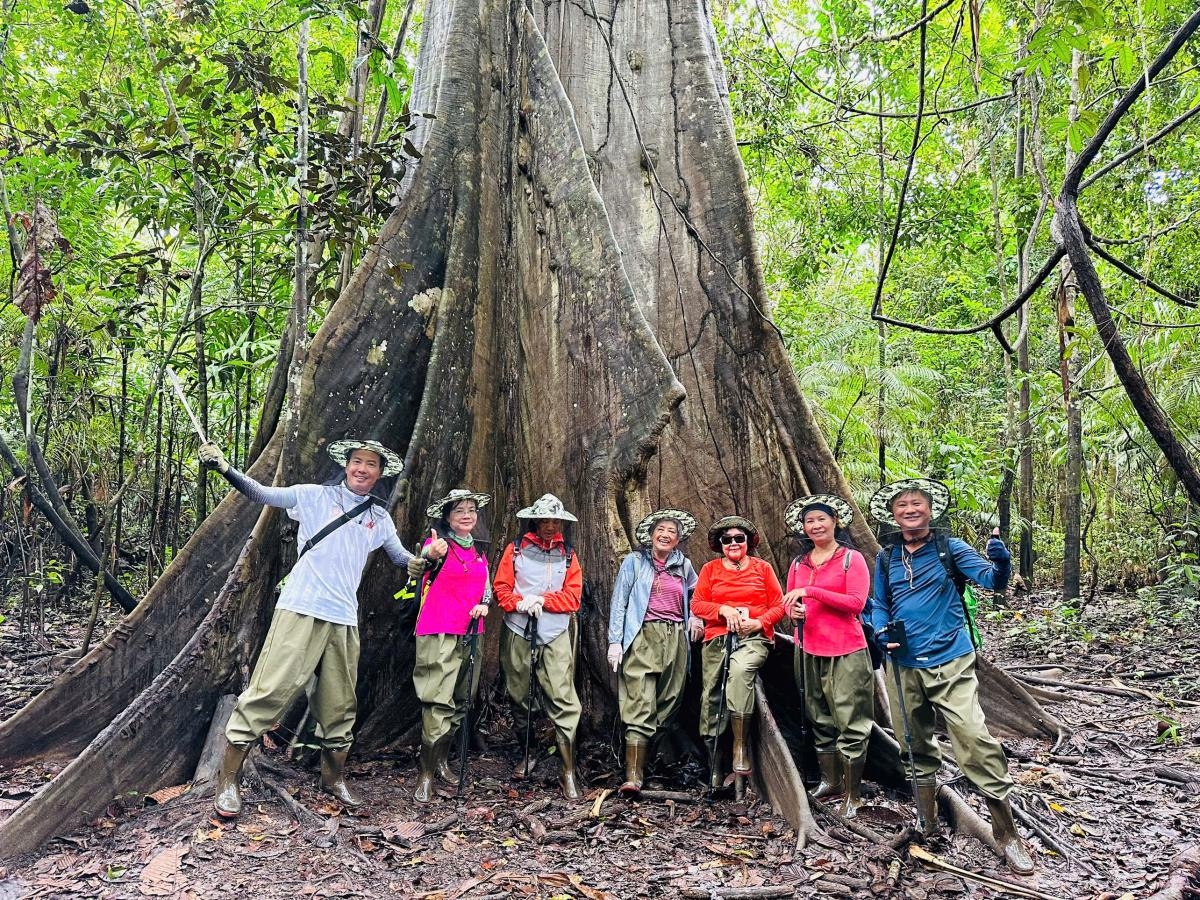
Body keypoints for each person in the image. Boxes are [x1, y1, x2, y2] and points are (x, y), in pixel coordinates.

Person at [198, 438, 439, 818]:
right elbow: (262, 494)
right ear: (346, 465)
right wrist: (225, 469)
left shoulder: (379, 515)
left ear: (380, 473)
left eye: (371, 464)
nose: (362, 469)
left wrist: (423, 561)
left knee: (340, 701)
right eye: (356, 461)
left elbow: (401, 558)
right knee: (270, 690)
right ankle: (228, 780)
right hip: (301, 608)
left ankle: (333, 778)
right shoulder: (313, 496)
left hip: (343, 617)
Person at [867, 477, 1034, 874]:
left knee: (974, 741)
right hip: (903, 665)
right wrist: (881, 628)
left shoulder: (950, 548)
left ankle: (1007, 835)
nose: (909, 510)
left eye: (917, 504)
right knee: (913, 742)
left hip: (951, 659)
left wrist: (1002, 560)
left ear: (930, 510)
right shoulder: (887, 557)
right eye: (902, 505)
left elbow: (993, 581)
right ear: (893, 515)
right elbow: (878, 604)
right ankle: (926, 821)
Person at [782, 494, 873, 818]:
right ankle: (830, 781)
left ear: (835, 522)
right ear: (803, 528)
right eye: (810, 521)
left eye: (822, 519)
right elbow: (789, 605)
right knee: (819, 717)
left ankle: (853, 794)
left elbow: (856, 603)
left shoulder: (851, 559)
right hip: (807, 647)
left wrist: (812, 592)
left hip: (846, 651)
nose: (816, 525)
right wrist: (793, 613)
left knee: (851, 721)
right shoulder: (798, 564)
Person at [493, 493, 584, 800]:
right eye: (544, 519)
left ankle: (568, 769)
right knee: (519, 693)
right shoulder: (516, 549)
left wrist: (543, 601)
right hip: (518, 628)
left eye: (555, 520)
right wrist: (520, 603)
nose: (549, 526)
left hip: (555, 631)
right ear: (534, 520)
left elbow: (573, 598)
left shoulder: (569, 555)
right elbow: (501, 588)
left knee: (563, 697)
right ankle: (528, 752)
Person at [607, 509, 702, 795]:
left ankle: (654, 767)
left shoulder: (683, 565)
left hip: (675, 637)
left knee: (670, 700)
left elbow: (697, 595)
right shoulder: (635, 563)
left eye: (671, 531)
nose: (665, 534)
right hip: (643, 635)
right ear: (650, 535)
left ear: (678, 538)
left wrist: (696, 618)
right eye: (660, 529)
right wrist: (615, 641)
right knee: (639, 700)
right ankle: (633, 777)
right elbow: (619, 601)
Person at [691, 516, 786, 789]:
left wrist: (760, 622)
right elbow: (698, 604)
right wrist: (723, 609)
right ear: (720, 544)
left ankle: (740, 747)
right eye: (727, 539)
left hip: (753, 638)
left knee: (740, 669)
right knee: (711, 696)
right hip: (717, 638)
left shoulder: (762, 568)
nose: (733, 543)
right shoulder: (709, 570)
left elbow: (778, 606)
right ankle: (715, 765)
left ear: (747, 542)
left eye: (738, 538)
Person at [411, 488, 493, 802]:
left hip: (472, 631)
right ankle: (426, 774)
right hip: (439, 629)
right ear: (448, 517)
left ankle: (442, 760)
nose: (467, 515)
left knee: (461, 700)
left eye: (472, 509)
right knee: (437, 700)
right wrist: (428, 554)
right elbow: (423, 562)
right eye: (459, 510)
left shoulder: (480, 552)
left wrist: (484, 605)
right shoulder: (439, 545)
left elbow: (485, 590)